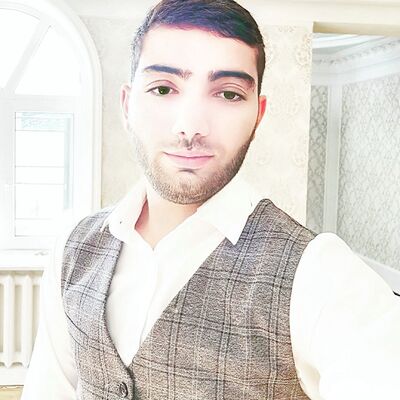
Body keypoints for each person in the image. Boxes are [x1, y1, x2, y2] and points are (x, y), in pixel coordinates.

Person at [22, 0, 400, 399]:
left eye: (229, 94)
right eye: (163, 88)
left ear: (258, 115)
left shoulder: (319, 272)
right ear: (127, 106)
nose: (190, 127)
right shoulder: (72, 247)